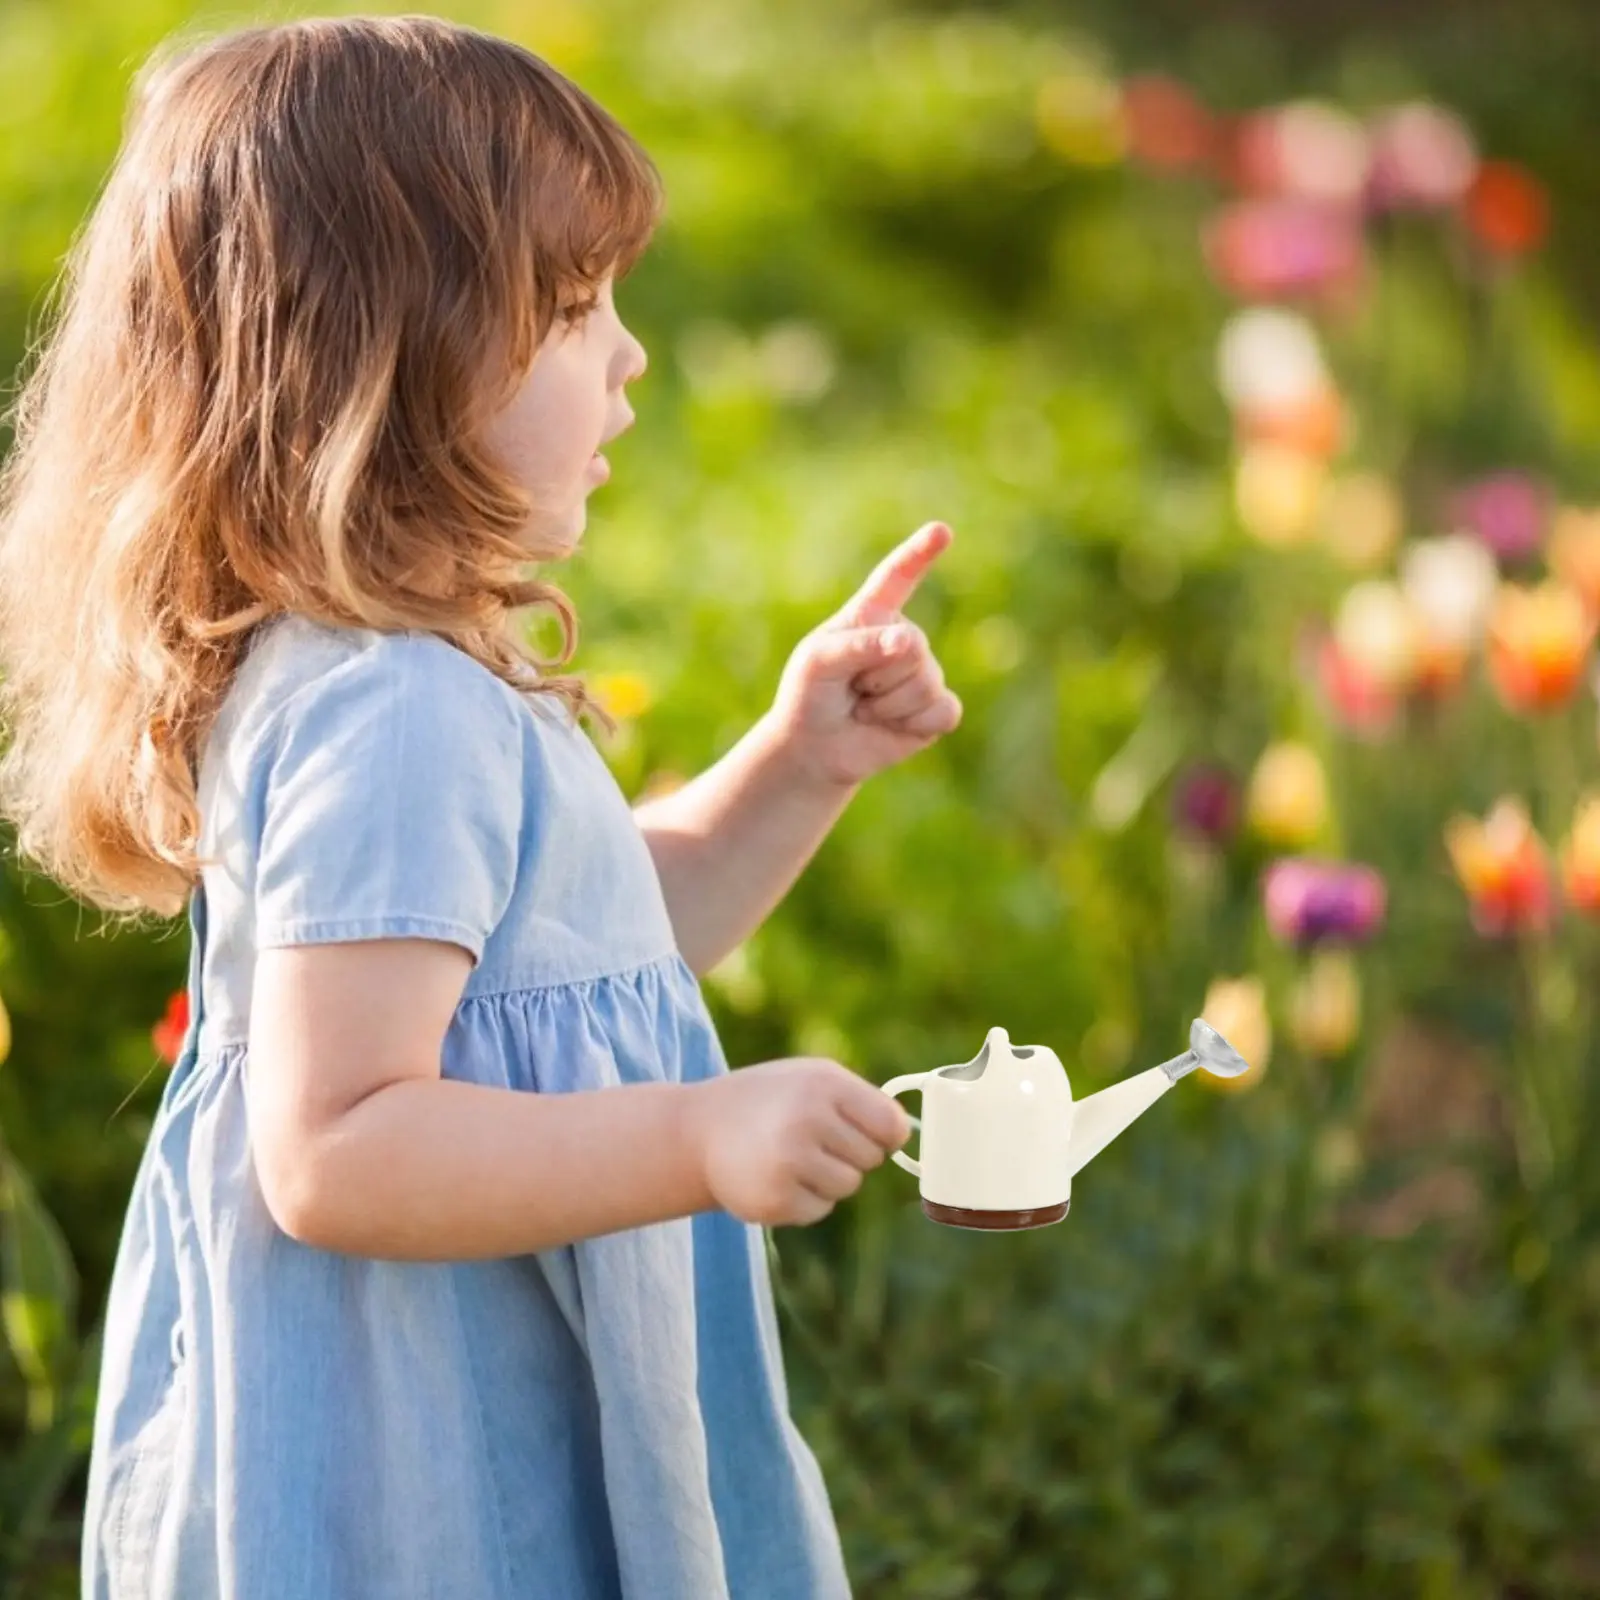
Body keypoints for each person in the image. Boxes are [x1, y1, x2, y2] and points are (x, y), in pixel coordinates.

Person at [0, 15, 964, 1599]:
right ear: (394, 365)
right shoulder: (391, 708)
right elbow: (339, 1147)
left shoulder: (391, 673)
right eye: (573, 309)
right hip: (427, 1459)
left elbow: (580, 966)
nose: (629, 354)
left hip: (432, 1396)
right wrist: (699, 1133)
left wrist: (800, 764)